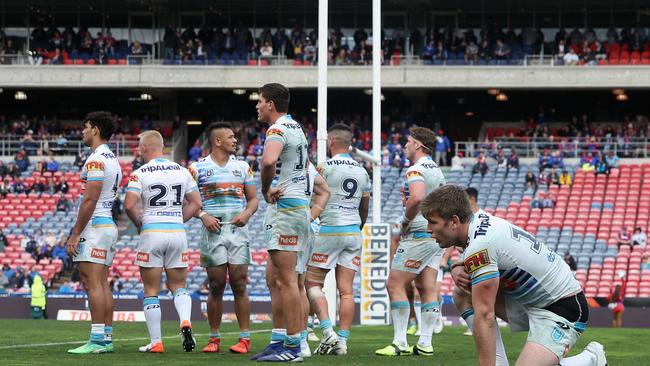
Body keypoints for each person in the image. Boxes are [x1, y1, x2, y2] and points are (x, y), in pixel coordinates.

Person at [421, 185, 608, 366]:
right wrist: (456, 267)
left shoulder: (480, 245)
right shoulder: (477, 222)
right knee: (463, 293)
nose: (429, 229)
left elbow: (485, 314)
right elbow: (484, 254)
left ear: (454, 221)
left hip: (564, 308)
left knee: (479, 305)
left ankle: (590, 359)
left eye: (433, 222)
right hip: (533, 302)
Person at [124, 130, 202, 353]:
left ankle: (156, 342)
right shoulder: (182, 171)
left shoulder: (140, 173)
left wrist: (140, 224)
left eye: (140, 147)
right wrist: (179, 219)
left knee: (151, 289)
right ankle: (185, 321)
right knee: (179, 286)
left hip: (152, 233)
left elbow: (129, 205)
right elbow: (196, 203)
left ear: (145, 148)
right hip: (177, 233)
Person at [188, 123, 259, 354]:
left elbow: (253, 200)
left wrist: (247, 214)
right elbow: (187, 202)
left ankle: (245, 339)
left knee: (240, 283)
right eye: (231, 137)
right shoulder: (197, 169)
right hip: (213, 232)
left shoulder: (243, 167)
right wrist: (202, 214)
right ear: (217, 141)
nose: (235, 140)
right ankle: (214, 338)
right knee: (216, 285)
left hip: (238, 231)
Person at [251, 83, 309, 362]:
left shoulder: (277, 130)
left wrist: (265, 190)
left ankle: (294, 347)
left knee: (287, 281)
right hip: (295, 207)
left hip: (287, 208)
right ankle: (279, 340)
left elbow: (267, 161)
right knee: (275, 278)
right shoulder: (296, 126)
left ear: (271, 103)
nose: (257, 106)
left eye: (260, 101)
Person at [376, 127, 445, 357]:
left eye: (408, 142)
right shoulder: (437, 171)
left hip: (418, 232)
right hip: (435, 234)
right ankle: (425, 343)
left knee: (394, 284)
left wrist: (405, 220)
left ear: (417, 145)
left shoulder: (415, 170)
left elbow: (416, 197)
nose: (404, 145)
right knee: (427, 288)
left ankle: (399, 342)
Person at [306, 124, 370, 356]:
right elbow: (365, 204)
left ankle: (327, 331)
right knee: (347, 291)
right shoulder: (362, 170)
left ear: (331, 141)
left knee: (312, 283)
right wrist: (358, 225)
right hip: (353, 231)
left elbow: (314, 197)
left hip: (330, 229)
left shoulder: (324, 167)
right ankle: (342, 342)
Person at [66, 111, 122, 355]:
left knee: (92, 284)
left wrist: (75, 233)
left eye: (85, 126)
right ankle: (106, 338)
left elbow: (90, 198)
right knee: (102, 284)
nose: (82, 131)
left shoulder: (96, 160)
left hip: (95, 226)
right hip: (107, 224)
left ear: (96, 129)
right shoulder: (113, 158)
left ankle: (97, 339)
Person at [297, 159, 331, 357]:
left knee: (304, 284)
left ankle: (305, 331)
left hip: (308, 232)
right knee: (307, 285)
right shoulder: (313, 179)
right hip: (312, 232)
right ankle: (307, 329)